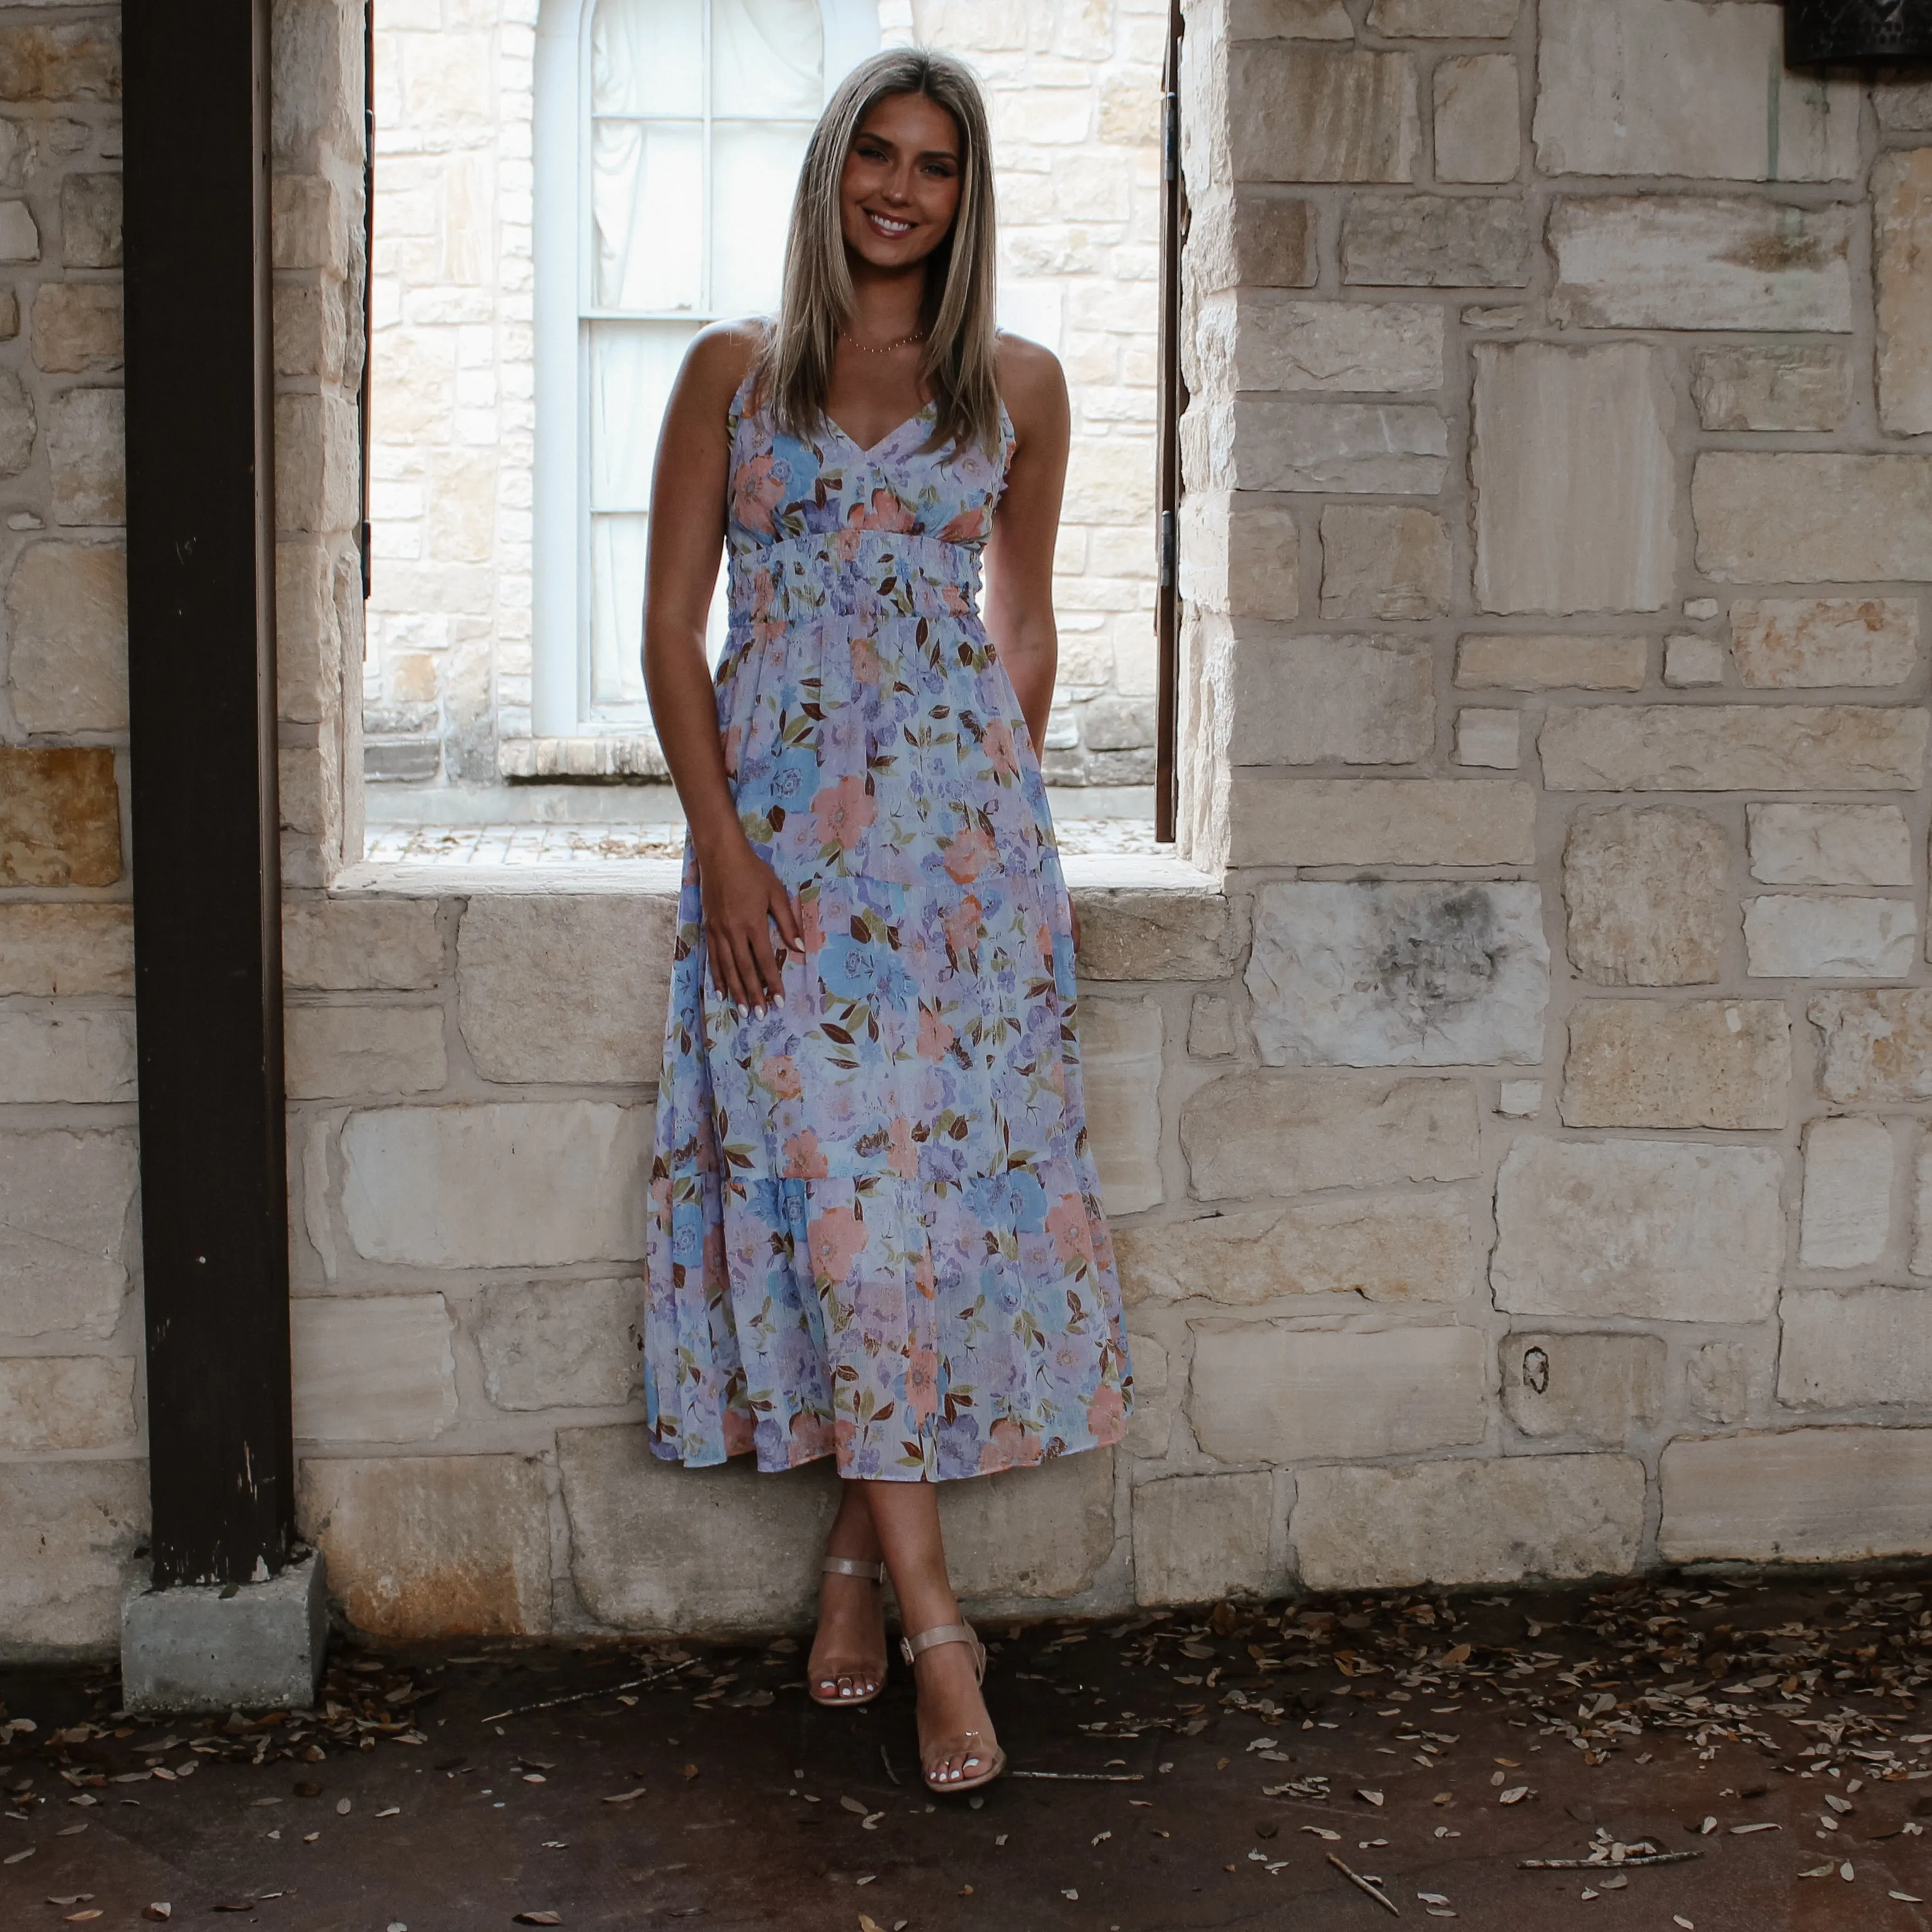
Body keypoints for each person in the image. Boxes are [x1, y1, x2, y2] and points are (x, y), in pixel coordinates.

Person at [639, 45, 1133, 1799]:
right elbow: (670, 639)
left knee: (904, 1220)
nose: (900, 189)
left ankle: (862, 1570)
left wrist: (993, 848)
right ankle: (943, 1626)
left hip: (957, 879)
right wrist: (726, 858)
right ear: (833, 169)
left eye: (934, 163)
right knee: (837, 1214)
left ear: (963, 191)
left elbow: (1025, 631)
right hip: (774, 870)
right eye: (876, 153)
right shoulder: (728, 377)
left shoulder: (1015, 388)